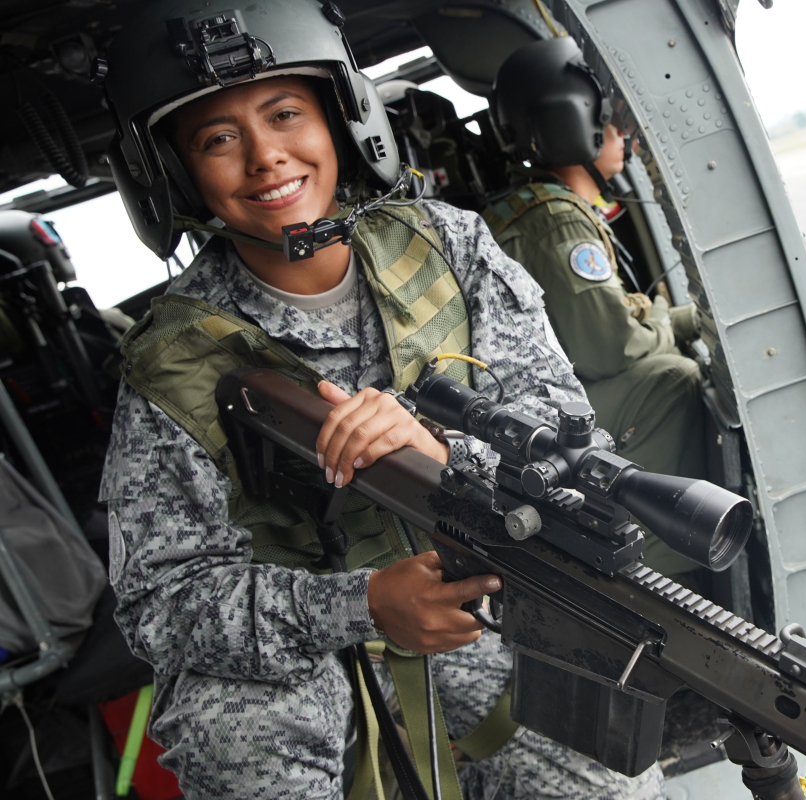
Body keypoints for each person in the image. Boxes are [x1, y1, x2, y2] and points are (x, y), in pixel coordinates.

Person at [97, 3, 662, 799]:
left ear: (343, 119)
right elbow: (162, 603)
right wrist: (360, 606)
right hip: (287, 646)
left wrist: (446, 456)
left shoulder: (448, 246)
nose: (266, 158)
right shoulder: (173, 358)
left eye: (286, 114)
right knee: (238, 748)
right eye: (218, 139)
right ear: (172, 173)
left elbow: (573, 447)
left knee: (612, 773)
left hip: (473, 591)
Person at [483, 40, 707, 578]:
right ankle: (654, 566)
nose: (626, 137)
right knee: (673, 378)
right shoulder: (556, 219)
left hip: (519, 406)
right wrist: (658, 322)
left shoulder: (540, 207)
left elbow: (605, 321)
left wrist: (680, 319)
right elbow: (611, 347)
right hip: (533, 419)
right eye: (612, 122)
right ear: (575, 125)